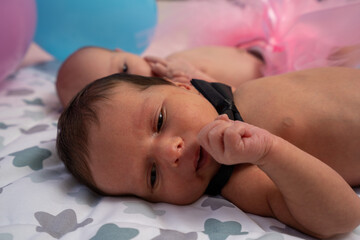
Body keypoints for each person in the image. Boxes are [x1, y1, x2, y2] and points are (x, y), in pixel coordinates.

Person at [57, 67, 360, 238]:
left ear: (181, 87)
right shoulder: (241, 177)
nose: (169, 153)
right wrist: (269, 151)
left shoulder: (217, 91)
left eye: (159, 121)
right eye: (152, 175)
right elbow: (343, 219)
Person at [56, 45, 264, 106]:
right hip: (269, 87)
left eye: (126, 69)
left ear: (123, 51)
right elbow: (232, 101)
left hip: (264, 53)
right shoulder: (182, 96)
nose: (137, 78)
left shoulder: (171, 61)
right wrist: (195, 76)